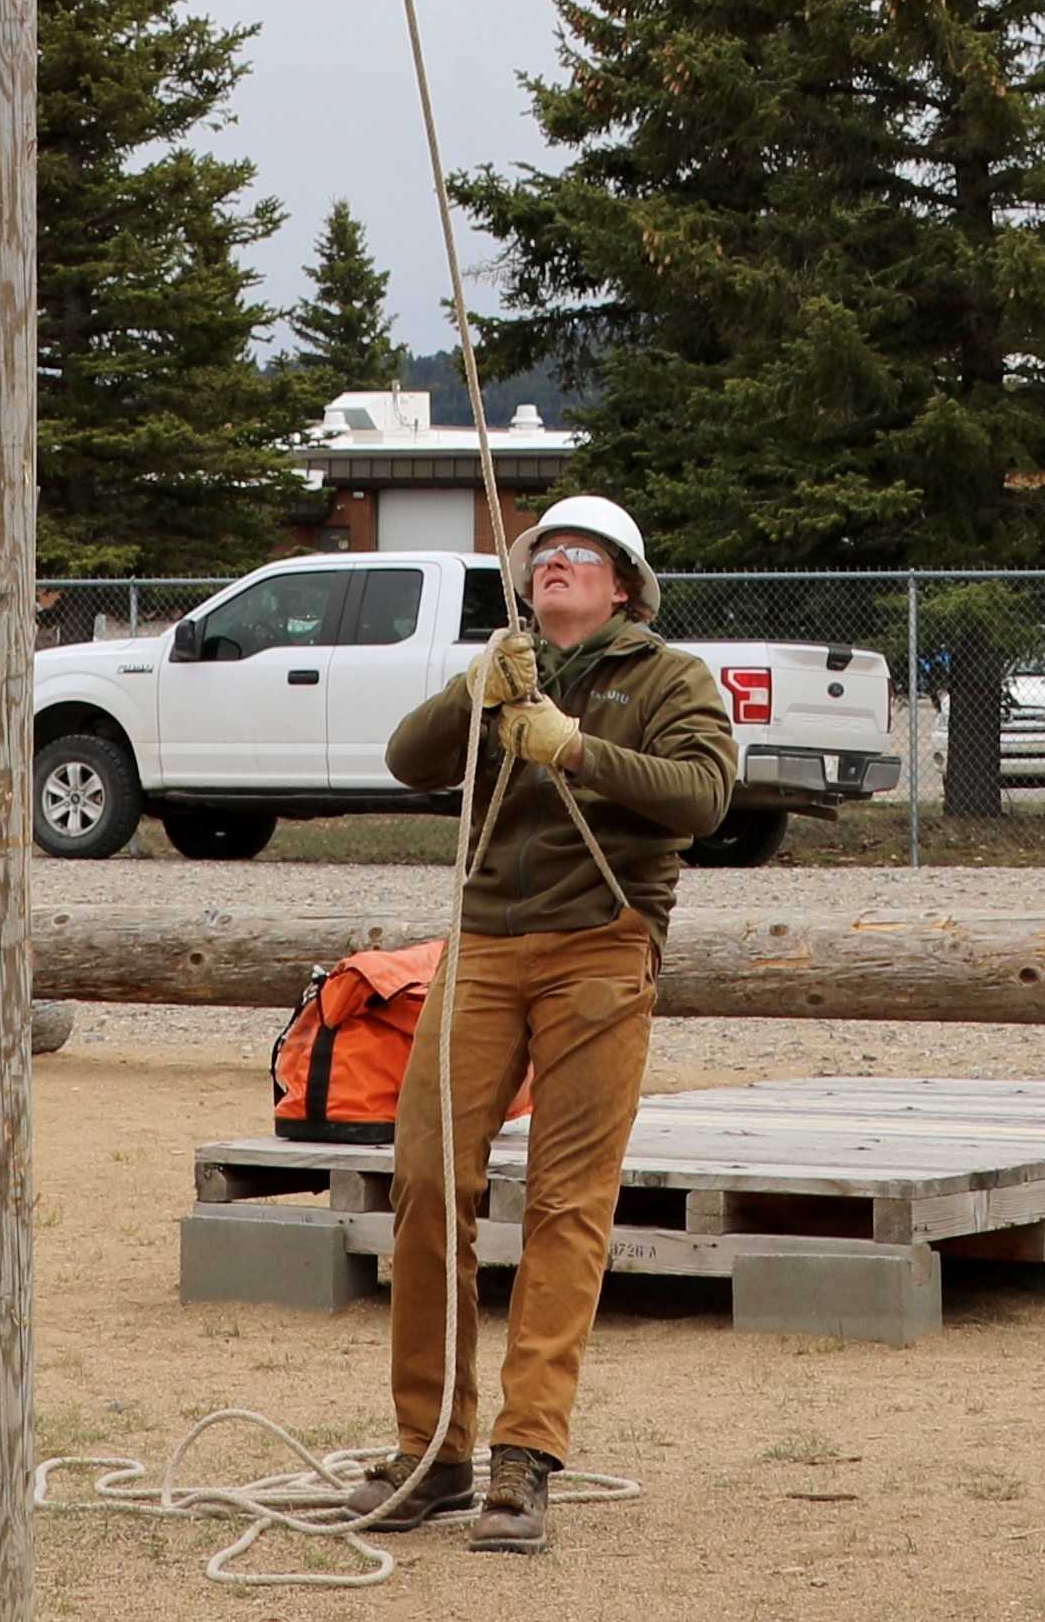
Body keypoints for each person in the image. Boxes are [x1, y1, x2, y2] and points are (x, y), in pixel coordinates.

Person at [353, 492, 736, 1555]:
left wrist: (574, 750)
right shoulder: (502, 670)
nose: (555, 564)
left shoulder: (669, 679)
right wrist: (474, 691)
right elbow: (408, 758)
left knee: (568, 1201)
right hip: (481, 943)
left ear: (623, 585)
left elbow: (705, 798)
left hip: (602, 944)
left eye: (581, 554)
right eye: (544, 553)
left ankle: (524, 1459)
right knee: (427, 1180)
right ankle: (431, 1450)